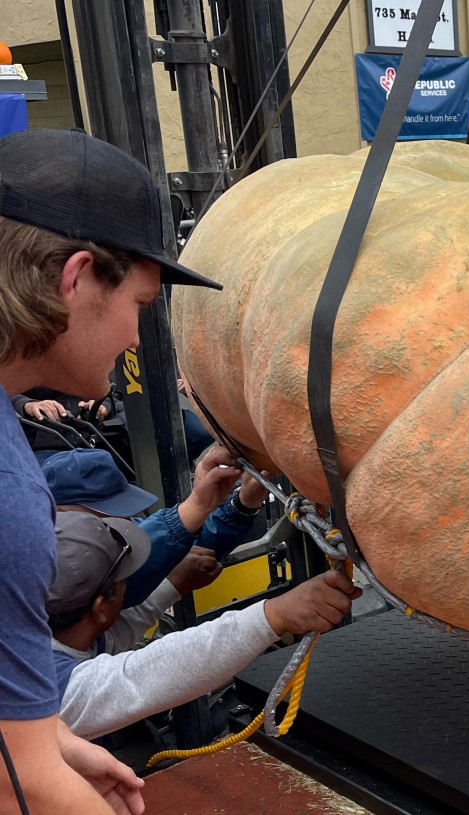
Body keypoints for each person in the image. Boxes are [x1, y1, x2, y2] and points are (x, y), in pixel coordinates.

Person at [0, 127, 221, 814]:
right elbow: (17, 783)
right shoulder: (9, 495)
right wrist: (42, 761)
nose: (134, 337)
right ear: (75, 278)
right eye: (139, 308)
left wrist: (52, 741)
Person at [46, 511, 360, 741]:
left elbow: (106, 633)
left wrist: (171, 585)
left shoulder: (50, 627)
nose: (136, 581)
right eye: (130, 577)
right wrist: (274, 615)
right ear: (101, 606)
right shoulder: (50, 690)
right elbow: (142, 676)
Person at [42, 445, 268, 608]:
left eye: (126, 515)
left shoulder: (118, 531)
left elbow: (179, 549)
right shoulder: (46, 572)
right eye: (107, 517)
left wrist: (243, 504)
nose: (125, 525)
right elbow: (117, 574)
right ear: (59, 511)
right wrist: (194, 507)